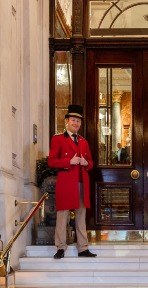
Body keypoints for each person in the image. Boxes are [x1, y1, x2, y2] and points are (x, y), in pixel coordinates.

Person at [48, 104, 97, 259]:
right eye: (73, 120)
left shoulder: (84, 142)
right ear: (67, 121)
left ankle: (83, 248)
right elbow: (51, 161)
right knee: (62, 215)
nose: (76, 123)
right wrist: (69, 161)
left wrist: (85, 163)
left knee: (81, 216)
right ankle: (60, 248)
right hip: (66, 182)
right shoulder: (58, 139)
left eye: (78, 121)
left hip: (82, 182)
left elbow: (91, 163)